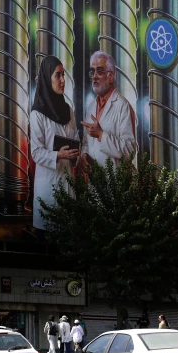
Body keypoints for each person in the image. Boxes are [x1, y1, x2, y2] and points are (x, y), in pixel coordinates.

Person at [29, 55, 79, 243]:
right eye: (57, 75)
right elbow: (36, 152)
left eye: (63, 75)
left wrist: (77, 152)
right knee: (46, 246)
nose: (62, 80)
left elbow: (74, 139)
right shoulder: (37, 114)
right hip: (47, 185)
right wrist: (58, 155)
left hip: (67, 184)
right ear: (46, 78)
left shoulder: (68, 110)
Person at [80, 51, 137, 170]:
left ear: (111, 77)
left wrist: (101, 134)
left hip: (116, 184)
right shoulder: (91, 107)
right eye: (92, 72)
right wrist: (84, 154)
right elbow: (86, 142)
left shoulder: (123, 106)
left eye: (100, 71)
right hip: (93, 183)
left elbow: (130, 150)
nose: (94, 76)